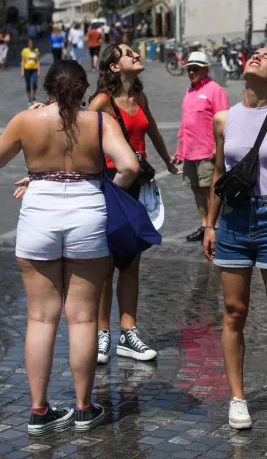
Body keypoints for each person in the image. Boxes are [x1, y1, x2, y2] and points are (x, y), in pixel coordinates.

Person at [0, 60, 139, 435]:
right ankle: (82, 407)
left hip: (39, 212)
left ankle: (39, 410)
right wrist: (106, 188)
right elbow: (129, 167)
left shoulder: (26, 120)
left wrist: (36, 175)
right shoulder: (98, 121)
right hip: (87, 211)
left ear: (46, 87)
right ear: (83, 89)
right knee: (82, 317)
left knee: (40, 318)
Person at [203, 47, 267, 431]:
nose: (257, 56)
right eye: (255, 54)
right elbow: (218, 174)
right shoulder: (223, 118)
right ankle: (238, 399)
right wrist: (210, 224)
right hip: (231, 221)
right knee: (234, 312)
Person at [89, 43, 180, 365]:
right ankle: (102, 333)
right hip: (112, 185)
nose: (136, 55)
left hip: (137, 186)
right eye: (129, 53)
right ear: (114, 67)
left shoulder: (139, 98)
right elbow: (84, 140)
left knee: (131, 262)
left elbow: (151, 128)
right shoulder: (101, 102)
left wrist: (168, 159)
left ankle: (128, 332)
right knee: (105, 263)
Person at [172, 51, 229, 242]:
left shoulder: (215, 90)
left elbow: (225, 120)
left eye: (195, 69)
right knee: (195, 188)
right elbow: (185, 123)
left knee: (209, 189)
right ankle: (204, 224)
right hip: (189, 150)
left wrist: (217, 146)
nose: (191, 72)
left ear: (206, 69)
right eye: (189, 69)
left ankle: (217, 225)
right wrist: (179, 150)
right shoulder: (190, 91)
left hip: (207, 150)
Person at [21, 38, 41, 106]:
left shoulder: (36, 50)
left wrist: (38, 71)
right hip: (27, 69)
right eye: (29, 43)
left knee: (35, 83)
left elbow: (38, 61)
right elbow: (23, 61)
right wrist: (22, 72)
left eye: (31, 43)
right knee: (28, 85)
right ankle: (29, 99)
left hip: (34, 69)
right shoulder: (24, 50)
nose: (30, 44)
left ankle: (34, 97)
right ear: (27, 44)